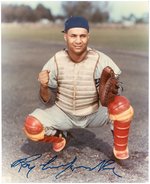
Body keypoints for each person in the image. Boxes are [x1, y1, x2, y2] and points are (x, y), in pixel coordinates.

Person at [23, 16, 134, 160]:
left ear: (88, 36)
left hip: (94, 113)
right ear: (65, 37)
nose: (78, 40)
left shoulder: (100, 59)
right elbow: (46, 100)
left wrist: (112, 92)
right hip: (64, 113)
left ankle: (120, 149)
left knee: (122, 106)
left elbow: (118, 88)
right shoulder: (56, 60)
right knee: (31, 126)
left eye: (82, 36)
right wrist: (43, 86)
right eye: (73, 36)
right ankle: (59, 137)